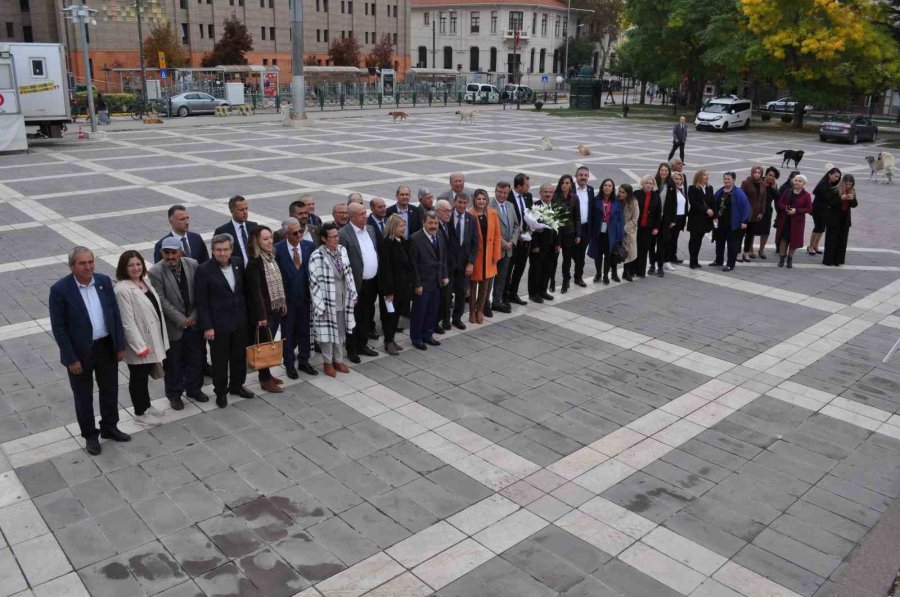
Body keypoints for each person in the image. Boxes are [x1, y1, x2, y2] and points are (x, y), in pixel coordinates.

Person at [49, 247, 129, 455]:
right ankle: (90, 436)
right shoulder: (60, 290)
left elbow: (115, 314)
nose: (88, 267)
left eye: (91, 262)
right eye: (82, 263)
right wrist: (70, 358)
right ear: (72, 266)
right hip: (80, 352)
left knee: (110, 389)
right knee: (83, 396)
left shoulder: (103, 281)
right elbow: (59, 328)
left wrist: (120, 345)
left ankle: (110, 427)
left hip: (105, 346)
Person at [196, 234, 255, 407]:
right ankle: (221, 391)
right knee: (220, 361)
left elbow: (243, 291)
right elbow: (202, 301)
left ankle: (237, 385)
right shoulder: (204, 269)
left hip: (239, 321)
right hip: (218, 325)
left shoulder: (237, 263)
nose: (222, 253)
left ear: (231, 249)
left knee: (238, 357)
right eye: (218, 250)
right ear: (212, 251)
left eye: (225, 249)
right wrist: (207, 327)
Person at [148, 237, 206, 411]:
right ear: (162, 253)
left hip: (194, 323)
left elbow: (200, 292)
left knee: (196, 358)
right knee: (174, 363)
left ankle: (194, 389)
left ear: (181, 252)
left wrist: (194, 316)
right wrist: (182, 320)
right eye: (167, 253)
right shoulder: (155, 272)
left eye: (174, 252)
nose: (170, 257)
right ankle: (174, 395)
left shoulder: (193, 264)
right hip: (174, 327)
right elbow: (162, 301)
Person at [113, 250, 169, 425]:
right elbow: (127, 322)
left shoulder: (144, 282)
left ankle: (147, 405)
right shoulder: (123, 289)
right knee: (138, 378)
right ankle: (140, 413)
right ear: (124, 267)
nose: (136, 268)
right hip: (140, 344)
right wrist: (139, 346)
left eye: (138, 264)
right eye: (131, 265)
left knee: (145, 376)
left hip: (152, 338)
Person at [309, 223, 358, 376]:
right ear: (324, 238)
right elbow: (313, 282)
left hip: (343, 299)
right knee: (327, 334)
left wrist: (353, 293)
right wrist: (319, 305)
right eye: (333, 236)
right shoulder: (316, 256)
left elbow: (349, 274)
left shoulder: (342, 250)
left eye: (337, 236)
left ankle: (338, 360)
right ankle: (327, 362)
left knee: (341, 333)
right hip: (327, 301)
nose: (337, 239)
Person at [245, 226, 287, 394]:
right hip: (263, 313)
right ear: (257, 242)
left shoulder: (271, 257)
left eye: (270, 237)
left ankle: (268, 374)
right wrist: (261, 316)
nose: (270, 241)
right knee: (263, 345)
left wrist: (283, 302)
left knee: (269, 343)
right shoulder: (255, 262)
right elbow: (255, 292)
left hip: (275, 308)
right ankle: (264, 379)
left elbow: (279, 282)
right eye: (265, 239)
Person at [274, 217, 317, 378]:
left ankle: (304, 360)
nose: (299, 235)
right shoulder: (277, 250)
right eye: (294, 233)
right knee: (288, 333)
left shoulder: (309, 246)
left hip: (305, 299)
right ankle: (289, 363)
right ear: (286, 234)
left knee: (305, 330)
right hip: (288, 301)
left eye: (300, 231)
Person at [339, 203, 380, 362]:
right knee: (353, 317)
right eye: (362, 214)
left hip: (371, 282)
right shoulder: (344, 234)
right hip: (355, 284)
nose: (365, 216)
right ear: (352, 216)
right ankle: (352, 349)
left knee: (367, 315)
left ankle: (363, 344)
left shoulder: (370, 229)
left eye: (365, 213)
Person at [409, 211, 448, 348]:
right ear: (423, 223)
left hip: (436, 281)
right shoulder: (415, 238)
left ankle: (428, 334)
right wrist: (417, 284)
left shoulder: (439, 235)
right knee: (420, 312)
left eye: (435, 223)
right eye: (430, 223)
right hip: (423, 283)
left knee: (433, 310)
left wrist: (444, 275)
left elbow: (443, 257)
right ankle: (416, 337)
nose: (433, 226)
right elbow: (413, 265)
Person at [378, 215, 415, 355]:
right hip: (391, 288)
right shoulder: (386, 244)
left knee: (397, 315)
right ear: (393, 227)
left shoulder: (403, 242)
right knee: (389, 316)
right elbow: (386, 269)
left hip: (402, 287)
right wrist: (389, 291)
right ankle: (388, 341)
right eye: (400, 226)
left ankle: (392, 339)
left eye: (404, 226)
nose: (403, 229)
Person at [468, 189, 502, 323]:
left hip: (489, 256)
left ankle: (480, 310)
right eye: (478, 199)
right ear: (474, 200)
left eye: (483, 198)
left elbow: (497, 236)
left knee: (485, 286)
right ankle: (471, 312)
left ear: (487, 200)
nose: (481, 201)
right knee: (472, 286)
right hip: (475, 256)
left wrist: (496, 255)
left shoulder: (493, 213)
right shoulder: (470, 214)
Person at [447, 193, 479, 328]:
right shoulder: (447, 217)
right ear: (455, 202)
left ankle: (457, 318)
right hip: (448, 263)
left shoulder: (471, 219)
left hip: (464, 264)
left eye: (465, 203)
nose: (462, 205)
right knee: (446, 293)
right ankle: (444, 319)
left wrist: (471, 262)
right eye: (459, 202)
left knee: (461, 292)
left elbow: (475, 243)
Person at [489, 181, 520, 314]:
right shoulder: (490, 206)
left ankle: (497, 301)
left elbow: (516, 226)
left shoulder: (510, 205)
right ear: (495, 191)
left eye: (505, 193)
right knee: (489, 278)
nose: (502, 195)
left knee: (502, 277)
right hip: (494, 249)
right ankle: (485, 302)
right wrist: (503, 243)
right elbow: (491, 230)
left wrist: (512, 242)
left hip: (508, 249)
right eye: (500, 192)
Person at [712, 172, 751, 272]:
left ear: (733, 180)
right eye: (725, 179)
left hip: (733, 224)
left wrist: (744, 221)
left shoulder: (739, 193)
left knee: (732, 245)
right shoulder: (720, 191)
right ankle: (718, 260)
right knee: (719, 243)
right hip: (720, 223)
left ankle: (730, 264)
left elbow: (746, 207)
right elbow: (714, 204)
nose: (726, 181)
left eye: (729, 179)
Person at [587, 178, 624, 284]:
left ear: (612, 189)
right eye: (605, 185)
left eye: (610, 186)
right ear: (602, 187)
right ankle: (598, 274)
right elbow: (591, 217)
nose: (607, 187)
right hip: (598, 233)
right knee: (597, 255)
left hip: (611, 233)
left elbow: (620, 219)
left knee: (608, 256)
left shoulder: (617, 202)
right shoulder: (596, 200)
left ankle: (606, 276)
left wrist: (620, 235)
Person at [528, 183, 559, 302]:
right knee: (536, 269)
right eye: (545, 192)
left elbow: (558, 227)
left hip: (551, 244)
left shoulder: (555, 206)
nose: (548, 194)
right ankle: (533, 293)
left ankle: (543, 290)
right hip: (538, 245)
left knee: (547, 268)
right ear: (540, 193)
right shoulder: (534, 206)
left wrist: (557, 243)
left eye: (550, 192)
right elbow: (531, 227)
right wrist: (534, 245)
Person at [775, 174, 812, 269]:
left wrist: (797, 211)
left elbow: (809, 209)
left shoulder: (806, 195)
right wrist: (786, 208)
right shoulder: (787, 192)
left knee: (793, 241)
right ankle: (782, 258)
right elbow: (779, 203)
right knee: (783, 239)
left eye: (800, 181)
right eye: (796, 180)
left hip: (797, 222)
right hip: (785, 220)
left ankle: (790, 258)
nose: (797, 182)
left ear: (804, 184)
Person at [505, 173, 532, 305]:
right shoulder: (508, 198)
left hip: (526, 239)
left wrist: (530, 230)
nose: (529, 187)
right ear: (519, 186)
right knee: (508, 269)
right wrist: (517, 236)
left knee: (520, 268)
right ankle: (504, 296)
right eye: (527, 185)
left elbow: (530, 215)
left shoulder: (528, 196)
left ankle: (513, 292)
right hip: (512, 240)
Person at [552, 174, 581, 293]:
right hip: (557, 232)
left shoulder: (574, 198)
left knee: (567, 259)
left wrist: (578, 234)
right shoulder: (554, 197)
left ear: (571, 185)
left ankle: (565, 281)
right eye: (562, 183)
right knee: (553, 259)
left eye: (567, 183)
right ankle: (552, 281)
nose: (564, 185)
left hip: (569, 232)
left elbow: (577, 217)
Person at [822, 174, 858, 267]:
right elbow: (830, 203)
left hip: (845, 219)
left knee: (842, 240)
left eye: (850, 184)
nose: (848, 186)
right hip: (834, 218)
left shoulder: (852, 191)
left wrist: (852, 199)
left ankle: (838, 260)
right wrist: (839, 198)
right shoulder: (835, 190)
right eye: (847, 184)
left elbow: (855, 205)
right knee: (831, 240)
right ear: (843, 183)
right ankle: (829, 260)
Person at [214, 196, 257, 269]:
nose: (245, 212)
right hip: (236, 272)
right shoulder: (222, 231)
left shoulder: (253, 226)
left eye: (246, 209)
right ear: (232, 211)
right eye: (241, 210)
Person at [435, 199, 457, 331]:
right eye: (446, 211)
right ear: (437, 212)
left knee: (447, 297)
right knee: (440, 298)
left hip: (450, 267)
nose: (449, 214)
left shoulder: (448, 224)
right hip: (440, 269)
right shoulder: (434, 226)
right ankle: (435, 322)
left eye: (450, 211)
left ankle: (445, 320)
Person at [809, 167, 841, 255]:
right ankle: (811, 246)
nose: (837, 178)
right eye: (835, 176)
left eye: (838, 177)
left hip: (824, 209)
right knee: (818, 227)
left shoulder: (829, 183)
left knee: (822, 228)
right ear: (830, 174)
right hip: (818, 209)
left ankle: (815, 245)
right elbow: (828, 198)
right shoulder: (823, 184)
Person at [634, 175, 662, 278]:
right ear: (643, 183)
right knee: (635, 248)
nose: (649, 185)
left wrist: (656, 227)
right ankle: (632, 270)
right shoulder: (636, 194)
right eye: (647, 183)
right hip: (637, 227)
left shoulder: (656, 195)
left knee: (644, 249)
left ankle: (641, 271)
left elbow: (658, 213)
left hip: (649, 227)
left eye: (651, 183)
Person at [687, 169, 715, 269]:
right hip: (695, 218)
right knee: (694, 239)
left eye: (707, 175)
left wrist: (713, 212)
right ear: (699, 177)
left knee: (699, 240)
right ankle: (692, 261)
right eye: (704, 175)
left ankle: (696, 260)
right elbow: (693, 203)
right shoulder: (692, 188)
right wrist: (706, 210)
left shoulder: (709, 188)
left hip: (705, 220)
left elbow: (712, 201)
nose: (707, 177)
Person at [571, 167, 594, 288]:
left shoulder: (590, 190)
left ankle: (578, 277)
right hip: (572, 227)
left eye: (586, 175)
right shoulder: (571, 189)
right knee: (570, 253)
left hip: (585, 228)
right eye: (581, 175)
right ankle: (565, 278)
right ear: (576, 176)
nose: (583, 177)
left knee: (581, 255)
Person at [740, 165, 766, 262]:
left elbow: (764, 199)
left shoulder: (763, 184)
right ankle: (738, 252)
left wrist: (762, 212)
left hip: (756, 213)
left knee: (750, 234)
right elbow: (742, 197)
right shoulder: (746, 183)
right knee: (741, 234)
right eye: (755, 172)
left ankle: (746, 252)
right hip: (746, 213)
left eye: (759, 173)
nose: (757, 175)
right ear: (752, 173)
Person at [652, 163, 674, 275]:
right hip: (653, 218)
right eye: (662, 170)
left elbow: (673, 203)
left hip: (665, 219)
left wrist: (673, 220)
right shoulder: (654, 182)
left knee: (661, 244)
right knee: (651, 243)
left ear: (669, 172)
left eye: (666, 170)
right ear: (659, 171)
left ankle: (660, 267)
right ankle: (652, 265)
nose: (664, 172)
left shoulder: (671, 184)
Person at [756, 166, 780, 260]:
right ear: (766, 174)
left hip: (767, 211)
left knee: (765, 232)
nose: (771, 177)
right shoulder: (758, 182)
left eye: (773, 176)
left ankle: (761, 250)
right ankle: (749, 250)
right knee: (752, 230)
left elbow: (778, 198)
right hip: (756, 210)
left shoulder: (773, 186)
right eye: (770, 175)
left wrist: (775, 189)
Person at [620, 184, 639, 281]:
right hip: (617, 230)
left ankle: (626, 272)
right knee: (618, 251)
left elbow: (634, 220)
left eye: (623, 192)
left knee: (629, 252)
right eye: (619, 192)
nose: (620, 194)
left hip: (628, 231)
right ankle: (615, 272)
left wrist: (624, 229)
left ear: (628, 193)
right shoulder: (617, 200)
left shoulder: (634, 202)